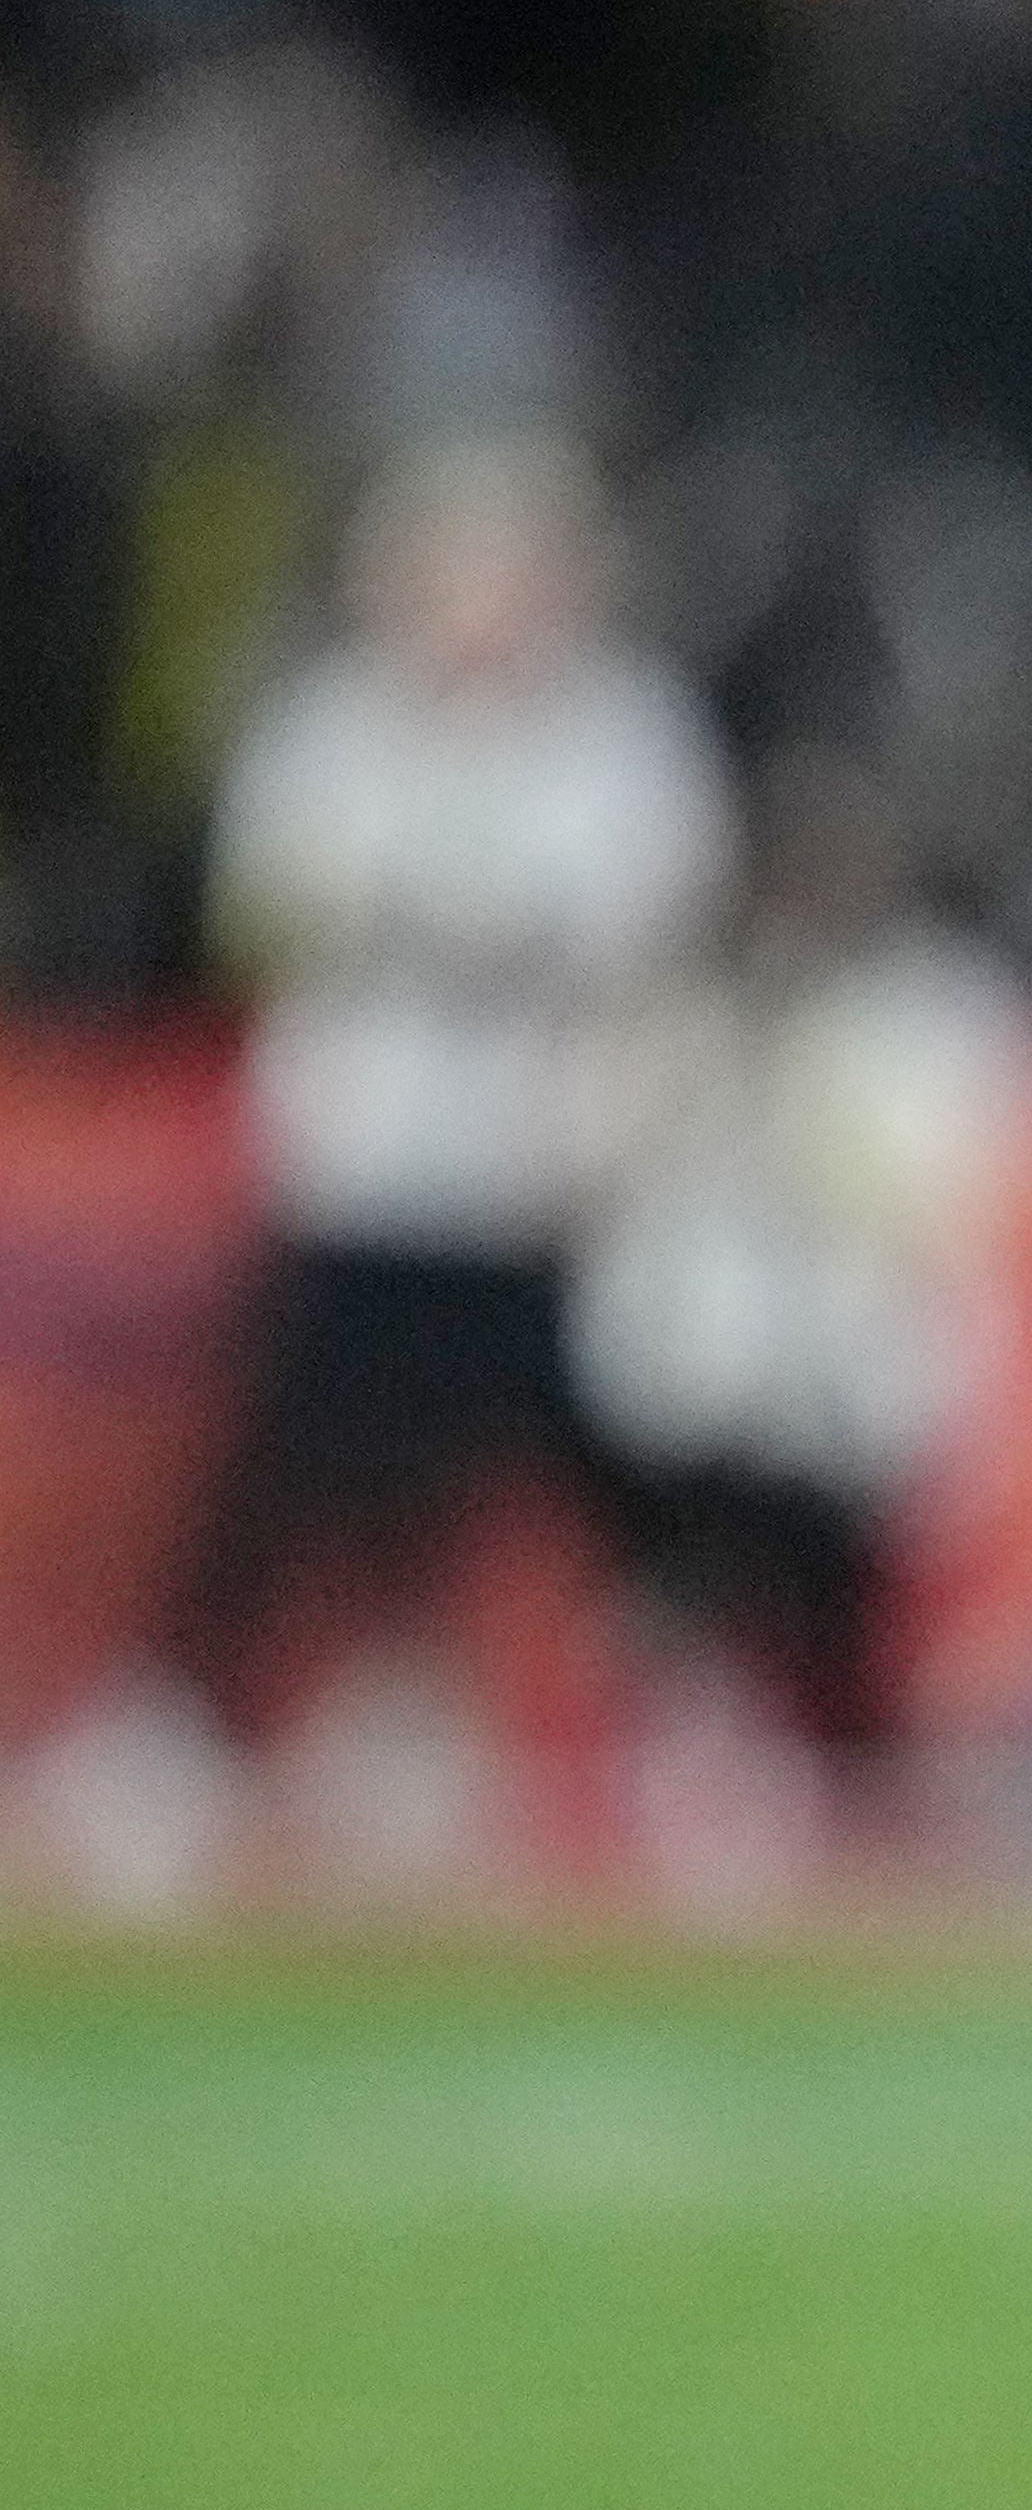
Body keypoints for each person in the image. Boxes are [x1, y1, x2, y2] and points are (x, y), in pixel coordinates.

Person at [28, 429, 729, 1909]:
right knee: (297, 1470)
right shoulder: (332, 733)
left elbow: (641, 927)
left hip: (537, 1184)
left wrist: (451, 935)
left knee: (570, 1472)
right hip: (367, 1171)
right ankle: (175, 1724)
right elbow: (278, 919)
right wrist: (470, 934)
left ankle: (647, 1723)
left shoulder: (618, 739)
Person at [567, 759, 1032, 1889]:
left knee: (840, 1597)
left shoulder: (945, 1014)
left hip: (857, 1373)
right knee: (680, 1532)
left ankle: (851, 1797)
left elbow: (938, 1203)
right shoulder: (680, 1005)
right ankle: (698, 1755)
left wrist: (806, 1098)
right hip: (705, 1364)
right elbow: (597, 1163)